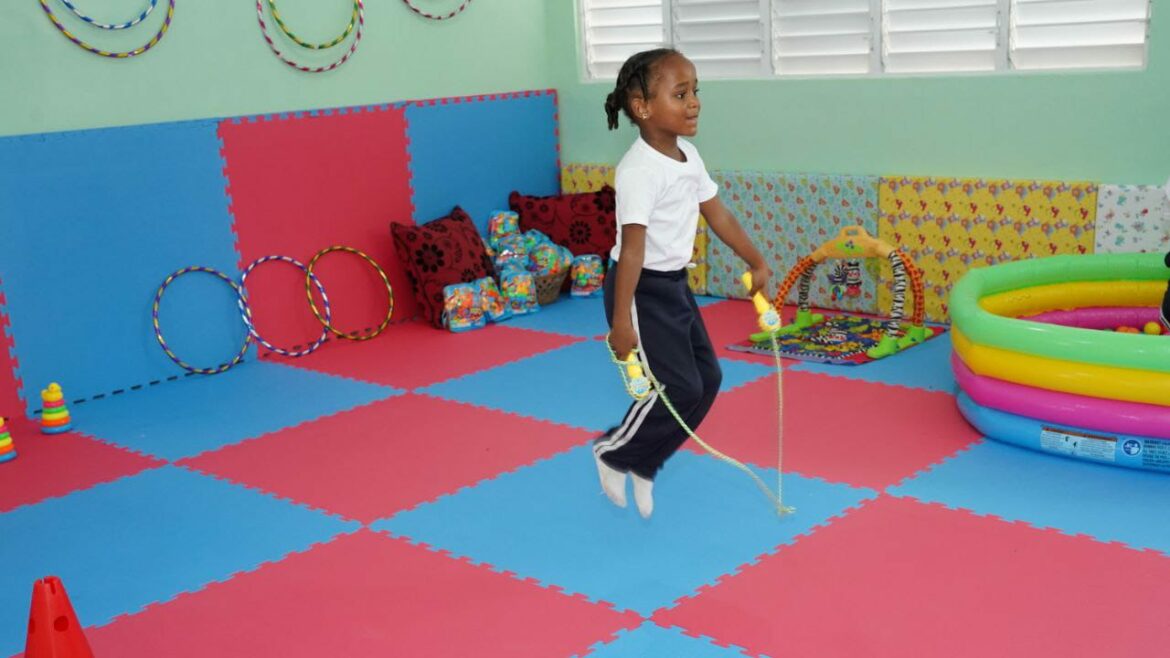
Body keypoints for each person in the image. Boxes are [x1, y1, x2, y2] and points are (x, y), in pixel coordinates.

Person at [594, 48, 773, 519]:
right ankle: (613, 451)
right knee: (677, 386)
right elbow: (632, 250)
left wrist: (755, 259)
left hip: (673, 283)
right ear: (642, 107)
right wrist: (620, 324)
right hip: (638, 289)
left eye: (695, 92)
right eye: (680, 94)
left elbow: (719, 214)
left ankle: (646, 462)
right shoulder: (638, 171)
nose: (694, 102)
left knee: (706, 379)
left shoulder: (687, 156)